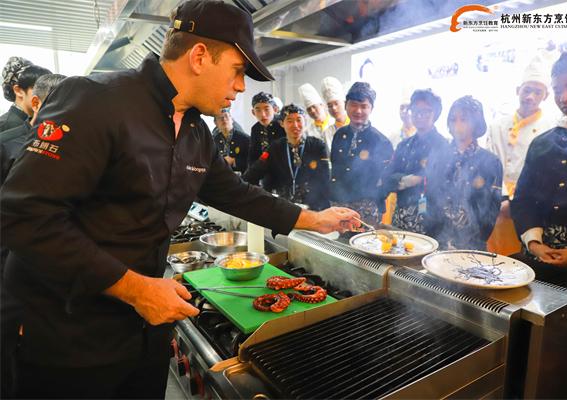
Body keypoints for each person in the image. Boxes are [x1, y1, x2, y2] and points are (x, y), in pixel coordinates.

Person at [0, 1, 360, 398]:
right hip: (67, 337)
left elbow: (237, 194)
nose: (241, 87)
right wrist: (137, 290)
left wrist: (315, 219)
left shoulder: (195, 132)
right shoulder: (95, 100)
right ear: (200, 56)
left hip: (144, 334)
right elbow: (24, 215)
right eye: (237, 71)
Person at [0, 72, 67, 400]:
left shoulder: (75, 145)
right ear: (36, 103)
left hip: (58, 279)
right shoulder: (7, 143)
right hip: (12, 275)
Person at [512, 50, 567, 274]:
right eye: (558, 90)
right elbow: (523, 199)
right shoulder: (542, 142)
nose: (564, 98)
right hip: (539, 258)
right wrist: (534, 243)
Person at [486, 56, 555, 255]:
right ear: (518, 91)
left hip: (528, 204)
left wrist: (514, 202)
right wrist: (502, 198)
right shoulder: (497, 125)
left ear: (546, 96)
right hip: (495, 201)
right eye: (527, 90)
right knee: (491, 255)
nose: (530, 97)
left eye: (537, 92)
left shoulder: (550, 129)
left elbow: (545, 174)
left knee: (518, 257)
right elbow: (490, 164)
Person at [424, 96, 502, 250]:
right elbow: (430, 197)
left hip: (473, 244)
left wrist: (475, 240)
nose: (457, 125)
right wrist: (433, 235)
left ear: (476, 123)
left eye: (464, 119)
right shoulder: (438, 156)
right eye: (453, 119)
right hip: (437, 240)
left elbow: (492, 209)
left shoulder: (491, 161)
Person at [382, 89, 448, 233]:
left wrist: (420, 180)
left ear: (436, 113)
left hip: (431, 220)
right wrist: (408, 180)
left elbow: (442, 184)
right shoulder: (404, 145)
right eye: (416, 110)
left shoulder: (444, 146)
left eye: (426, 111)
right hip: (400, 217)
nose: (419, 115)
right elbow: (386, 179)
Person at [243, 104, 330, 210]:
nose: (295, 125)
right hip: (283, 206)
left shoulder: (317, 146)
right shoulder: (275, 147)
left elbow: (324, 179)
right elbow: (253, 173)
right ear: (281, 123)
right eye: (289, 121)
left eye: (299, 120)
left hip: (312, 205)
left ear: (305, 122)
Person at [330, 82, 393, 225]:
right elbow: (335, 169)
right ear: (346, 106)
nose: (358, 111)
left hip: (367, 208)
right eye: (353, 105)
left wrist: (372, 199)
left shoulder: (381, 141)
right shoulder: (339, 134)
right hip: (338, 204)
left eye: (364, 106)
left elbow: (387, 179)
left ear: (371, 108)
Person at [1, 57, 51, 133]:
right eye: (40, 88)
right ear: (18, 91)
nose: (47, 94)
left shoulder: (36, 120)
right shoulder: (5, 125)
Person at [298, 83, 336, 150]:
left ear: (322, 105)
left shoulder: (334, 123)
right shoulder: (307, 132)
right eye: (309, 109)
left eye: (314, 107)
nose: (312, 111)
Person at [212, 108, 250, 173]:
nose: (224, 119)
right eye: (220, 117)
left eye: (226, 116)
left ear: (232, 119)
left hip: (241, 176)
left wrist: (234, 161)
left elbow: (253, 160)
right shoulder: (214, 141)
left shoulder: (245, 138)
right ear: (215, 123)